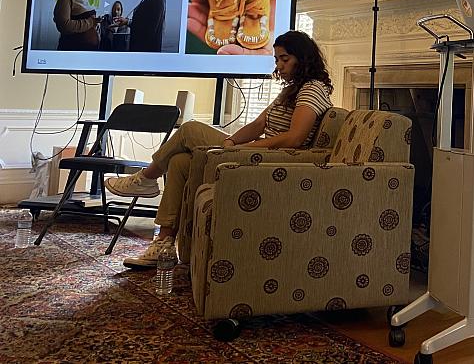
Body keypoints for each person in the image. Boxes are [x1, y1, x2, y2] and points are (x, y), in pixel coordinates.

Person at [105, 30, 334, 268]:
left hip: (271, 159)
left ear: (303, 58)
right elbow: (258, 125)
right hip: (259, 151)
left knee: (190, 129)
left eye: (285, 59)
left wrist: (245, 147)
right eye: (277, 59)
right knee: (180, 161)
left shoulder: (312, 89)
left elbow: (295, 138)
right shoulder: (292, 90)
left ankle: (145, 178)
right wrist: (232, 142)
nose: (280, 65)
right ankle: (163, 244)